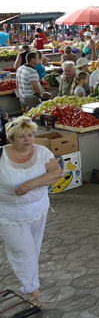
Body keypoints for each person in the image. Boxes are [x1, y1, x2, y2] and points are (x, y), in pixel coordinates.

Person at [0, 116, 62, 309]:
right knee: (23, 251)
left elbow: (56, 172)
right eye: (21, 137)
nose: (28, 140)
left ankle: (28, 280)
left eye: (31, 135)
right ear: (10, 139)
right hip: (9, 215)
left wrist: (32, 183)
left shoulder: (42, 152)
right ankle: (34, 292)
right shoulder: (1, 156)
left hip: (38, 210)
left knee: (33, 250)